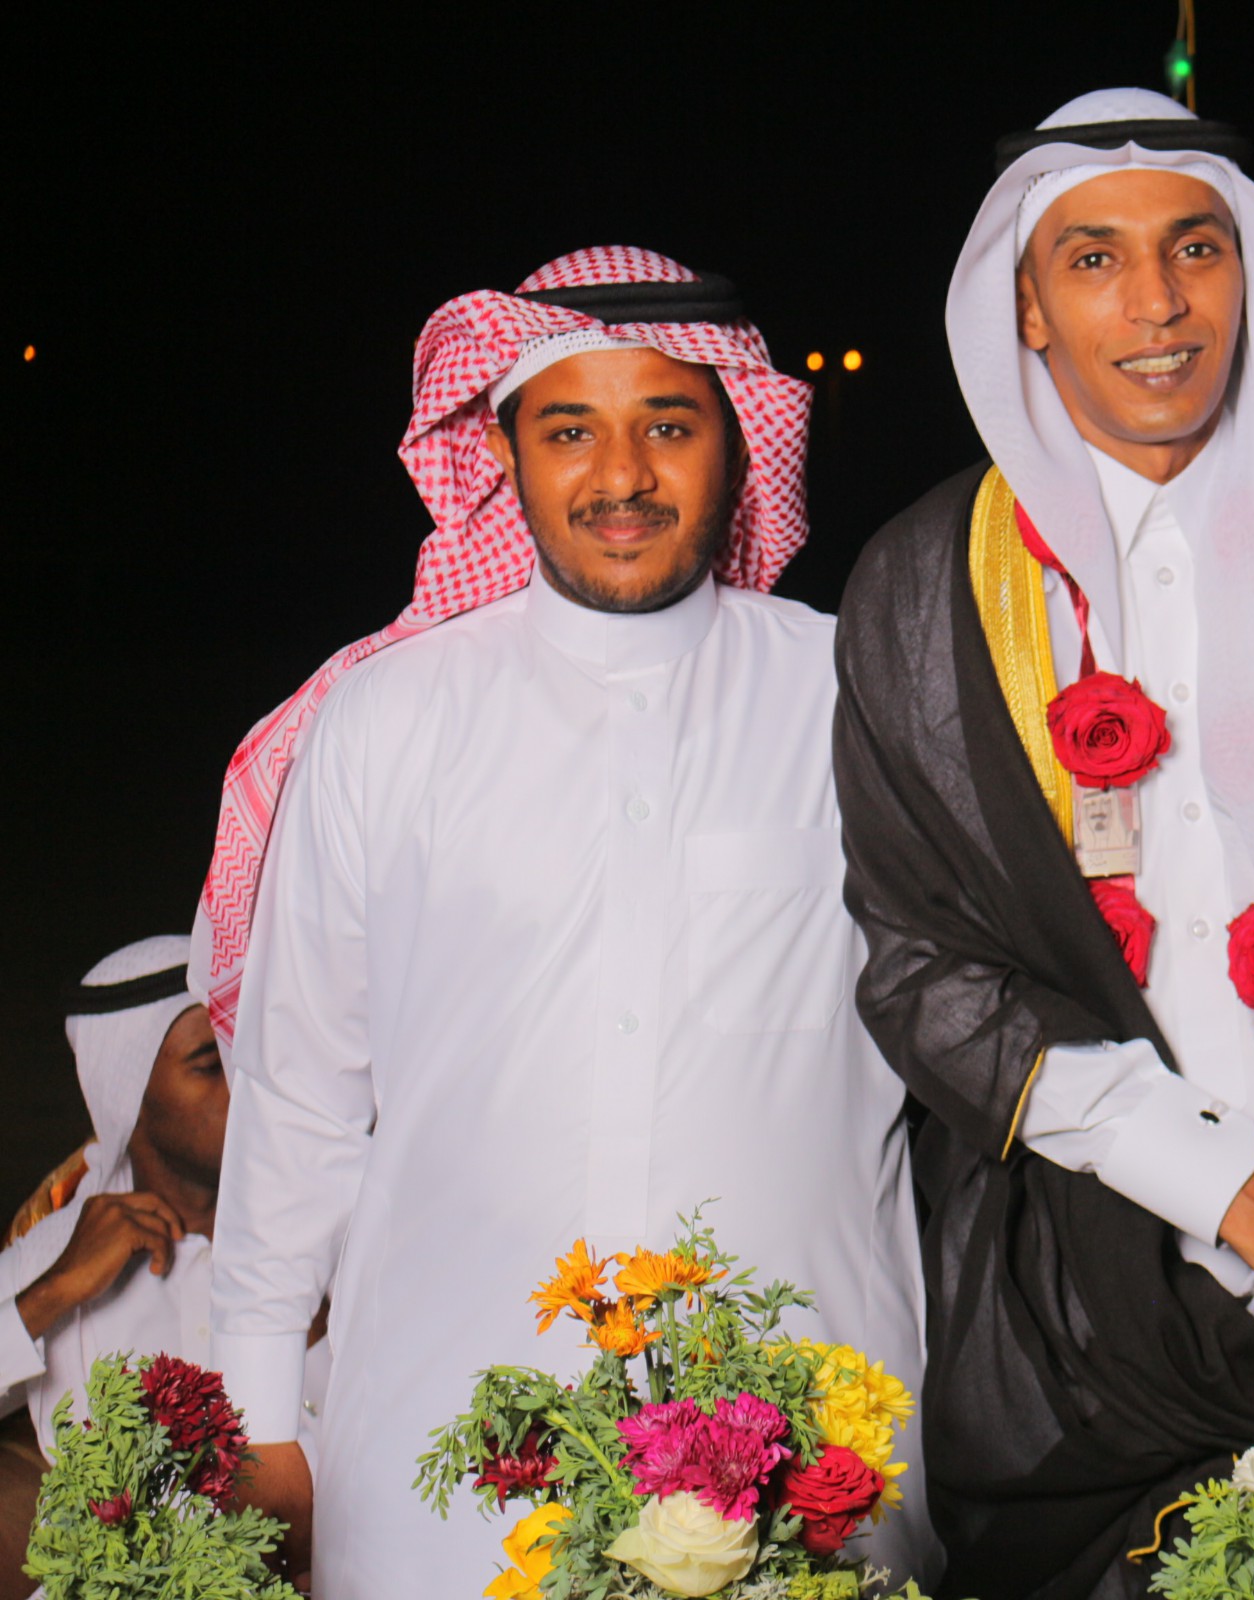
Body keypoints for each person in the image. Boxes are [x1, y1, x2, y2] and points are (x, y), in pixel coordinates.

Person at [833, 88, 1254, 1598]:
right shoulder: (927, 583)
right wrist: (1236, 1199)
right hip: (1070, 1318)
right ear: (1025, 304)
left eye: (1195, 248)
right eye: (1094, 260)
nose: (1156, 304)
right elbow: (924, 976)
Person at [195, 247, 932, 1594]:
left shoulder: (858, 697)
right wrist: (259, 1410)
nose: (621, 477)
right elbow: (302, 1097)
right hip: (439, 1441)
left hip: (818, 1433)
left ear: (738, 441)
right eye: (570, 430)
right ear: (503, 452)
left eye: (669, 426)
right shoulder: (386, 722)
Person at [0, 938, 328, 1596]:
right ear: (127, 1096)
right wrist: (56, 1291)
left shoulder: (331, 1230)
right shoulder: (54, 1248)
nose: (245, 1088)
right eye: (209, 1066)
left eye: (247, 1059)